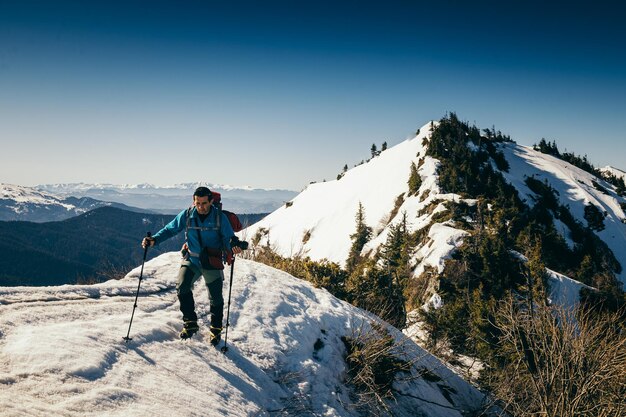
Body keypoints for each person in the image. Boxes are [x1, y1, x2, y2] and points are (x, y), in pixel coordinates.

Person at [142, 186, 242, 344]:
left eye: (204, 203)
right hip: (193, 259)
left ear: (210, 201)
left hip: (211, 261)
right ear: (193, 201)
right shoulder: (188, 214)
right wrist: (154, 240)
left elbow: (229, 238)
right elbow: (170, 229)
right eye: (198, 203)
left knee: (215, 298)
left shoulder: (219, 217)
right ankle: (190, 324)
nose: (201, 207)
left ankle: (215, 330)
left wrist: (234, 246)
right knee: (182, 286)